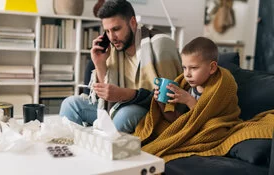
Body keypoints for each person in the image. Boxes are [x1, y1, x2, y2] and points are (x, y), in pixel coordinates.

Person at [134, 36, 274, 163]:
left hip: (218, 126)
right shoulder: (185, 84)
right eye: (184, 68)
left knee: (215, 130)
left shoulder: (223, 83)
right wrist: (161, 103)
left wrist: (189, 100)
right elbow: (177, 120)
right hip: (191, 128)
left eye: (193, 68)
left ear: (212, 67)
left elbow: (214, 120)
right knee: (158, 131)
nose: (187, 74)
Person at [59, 0, 182, 133]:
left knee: (125, 114)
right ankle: (73, 151)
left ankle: (106, 151)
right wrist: (99, 63)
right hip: (116, 106)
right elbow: (104, 100)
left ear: (133, 23)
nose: (112, 37)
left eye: (116, 29)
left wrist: (127, 95)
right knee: (70, 104)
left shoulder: (160, 45)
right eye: (107, 31)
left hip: (149, 111)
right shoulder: (112, 49)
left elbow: (170, 102)